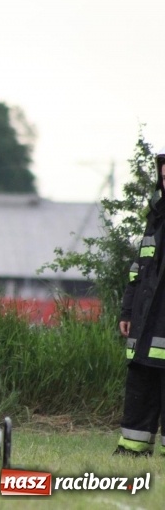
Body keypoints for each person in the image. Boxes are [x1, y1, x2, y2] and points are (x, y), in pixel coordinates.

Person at [116, 146, 165, 456]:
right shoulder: (156, 217)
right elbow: (139, 270)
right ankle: (132, 447)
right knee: (141, 382)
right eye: (164, 176)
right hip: (146, 321)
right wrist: (127, 310)